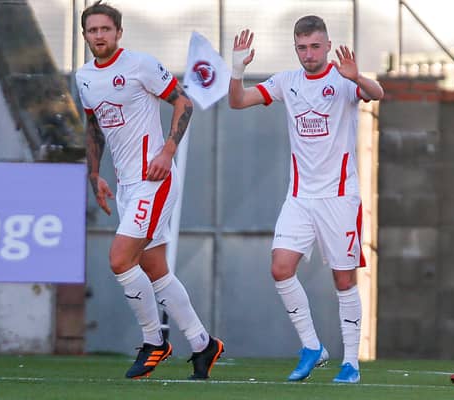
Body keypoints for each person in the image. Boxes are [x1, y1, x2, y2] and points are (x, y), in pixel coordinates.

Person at [228, 16, 384, 384]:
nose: (308, 54)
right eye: (302, 47)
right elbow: (237, 101)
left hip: (340, 197)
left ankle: (351, 364)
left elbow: (378, 93)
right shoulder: (287, 81)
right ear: (295, 48)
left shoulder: (344, 81)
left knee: (344, 281)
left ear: (327, 46)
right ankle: (312, 346)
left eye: (315, 47)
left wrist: (357, 78)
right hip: (299, 196)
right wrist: (236, 68)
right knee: (280, 268)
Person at [76, 1, 224, 380]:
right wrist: (95, 175)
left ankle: (154, 341)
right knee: (154, 268)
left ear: (118, 32)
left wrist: (168, 149)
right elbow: (94, 128)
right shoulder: (85, 77)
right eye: (92, 31)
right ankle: (203, 343)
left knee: (120, 260)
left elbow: (183, 103)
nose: (99, 36)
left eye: (105, 29)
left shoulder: (140, 64)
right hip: (126, 185)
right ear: (85, 36)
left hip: (154, 179)